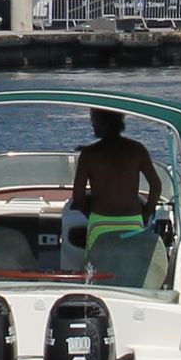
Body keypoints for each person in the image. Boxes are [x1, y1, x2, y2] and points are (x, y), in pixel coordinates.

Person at [65, 111, 166, 280]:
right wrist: (146, 214)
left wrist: (90, 216)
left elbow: (78, 197)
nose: (92, 125)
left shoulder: (89, 155)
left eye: (94, 121)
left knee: (96, 268)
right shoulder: (137, 150)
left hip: (100, 223)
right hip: (133, 221)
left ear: (104, 122)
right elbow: (156, 186)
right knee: (132, 268)